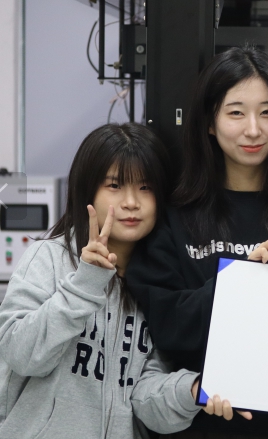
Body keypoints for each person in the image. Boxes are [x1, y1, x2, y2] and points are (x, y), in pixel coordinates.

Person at [125, 47, 268, 438]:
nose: (253, 129)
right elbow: (167, 329)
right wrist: (244, 281)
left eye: (267, 112)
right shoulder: (172, 217)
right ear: (210, 122)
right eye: (236, 113)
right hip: (201, 426)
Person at [0, 123, 233, 439]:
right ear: (88, 190)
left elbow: (145, 396)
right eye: (114, 185)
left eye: (145, 187)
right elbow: (20, 354)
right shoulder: (50, 257)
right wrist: (85, 283)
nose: (131, 202)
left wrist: (192, 390)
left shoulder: (157, 280)